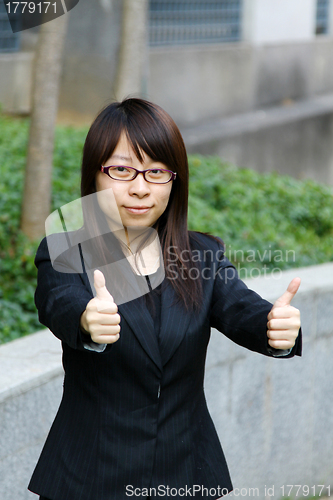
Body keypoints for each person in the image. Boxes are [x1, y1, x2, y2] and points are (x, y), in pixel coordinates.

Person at [28, 98, 302, 500]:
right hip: (89, 476)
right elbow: (58, 301)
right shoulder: (67, 249)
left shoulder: (202, 255)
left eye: (156, 172)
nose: (140, 188)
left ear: (175, 180)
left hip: (185, 471)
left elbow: (240, 307)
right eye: (122, 170)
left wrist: (274, 326)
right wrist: (87, 320)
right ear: (95, 176)